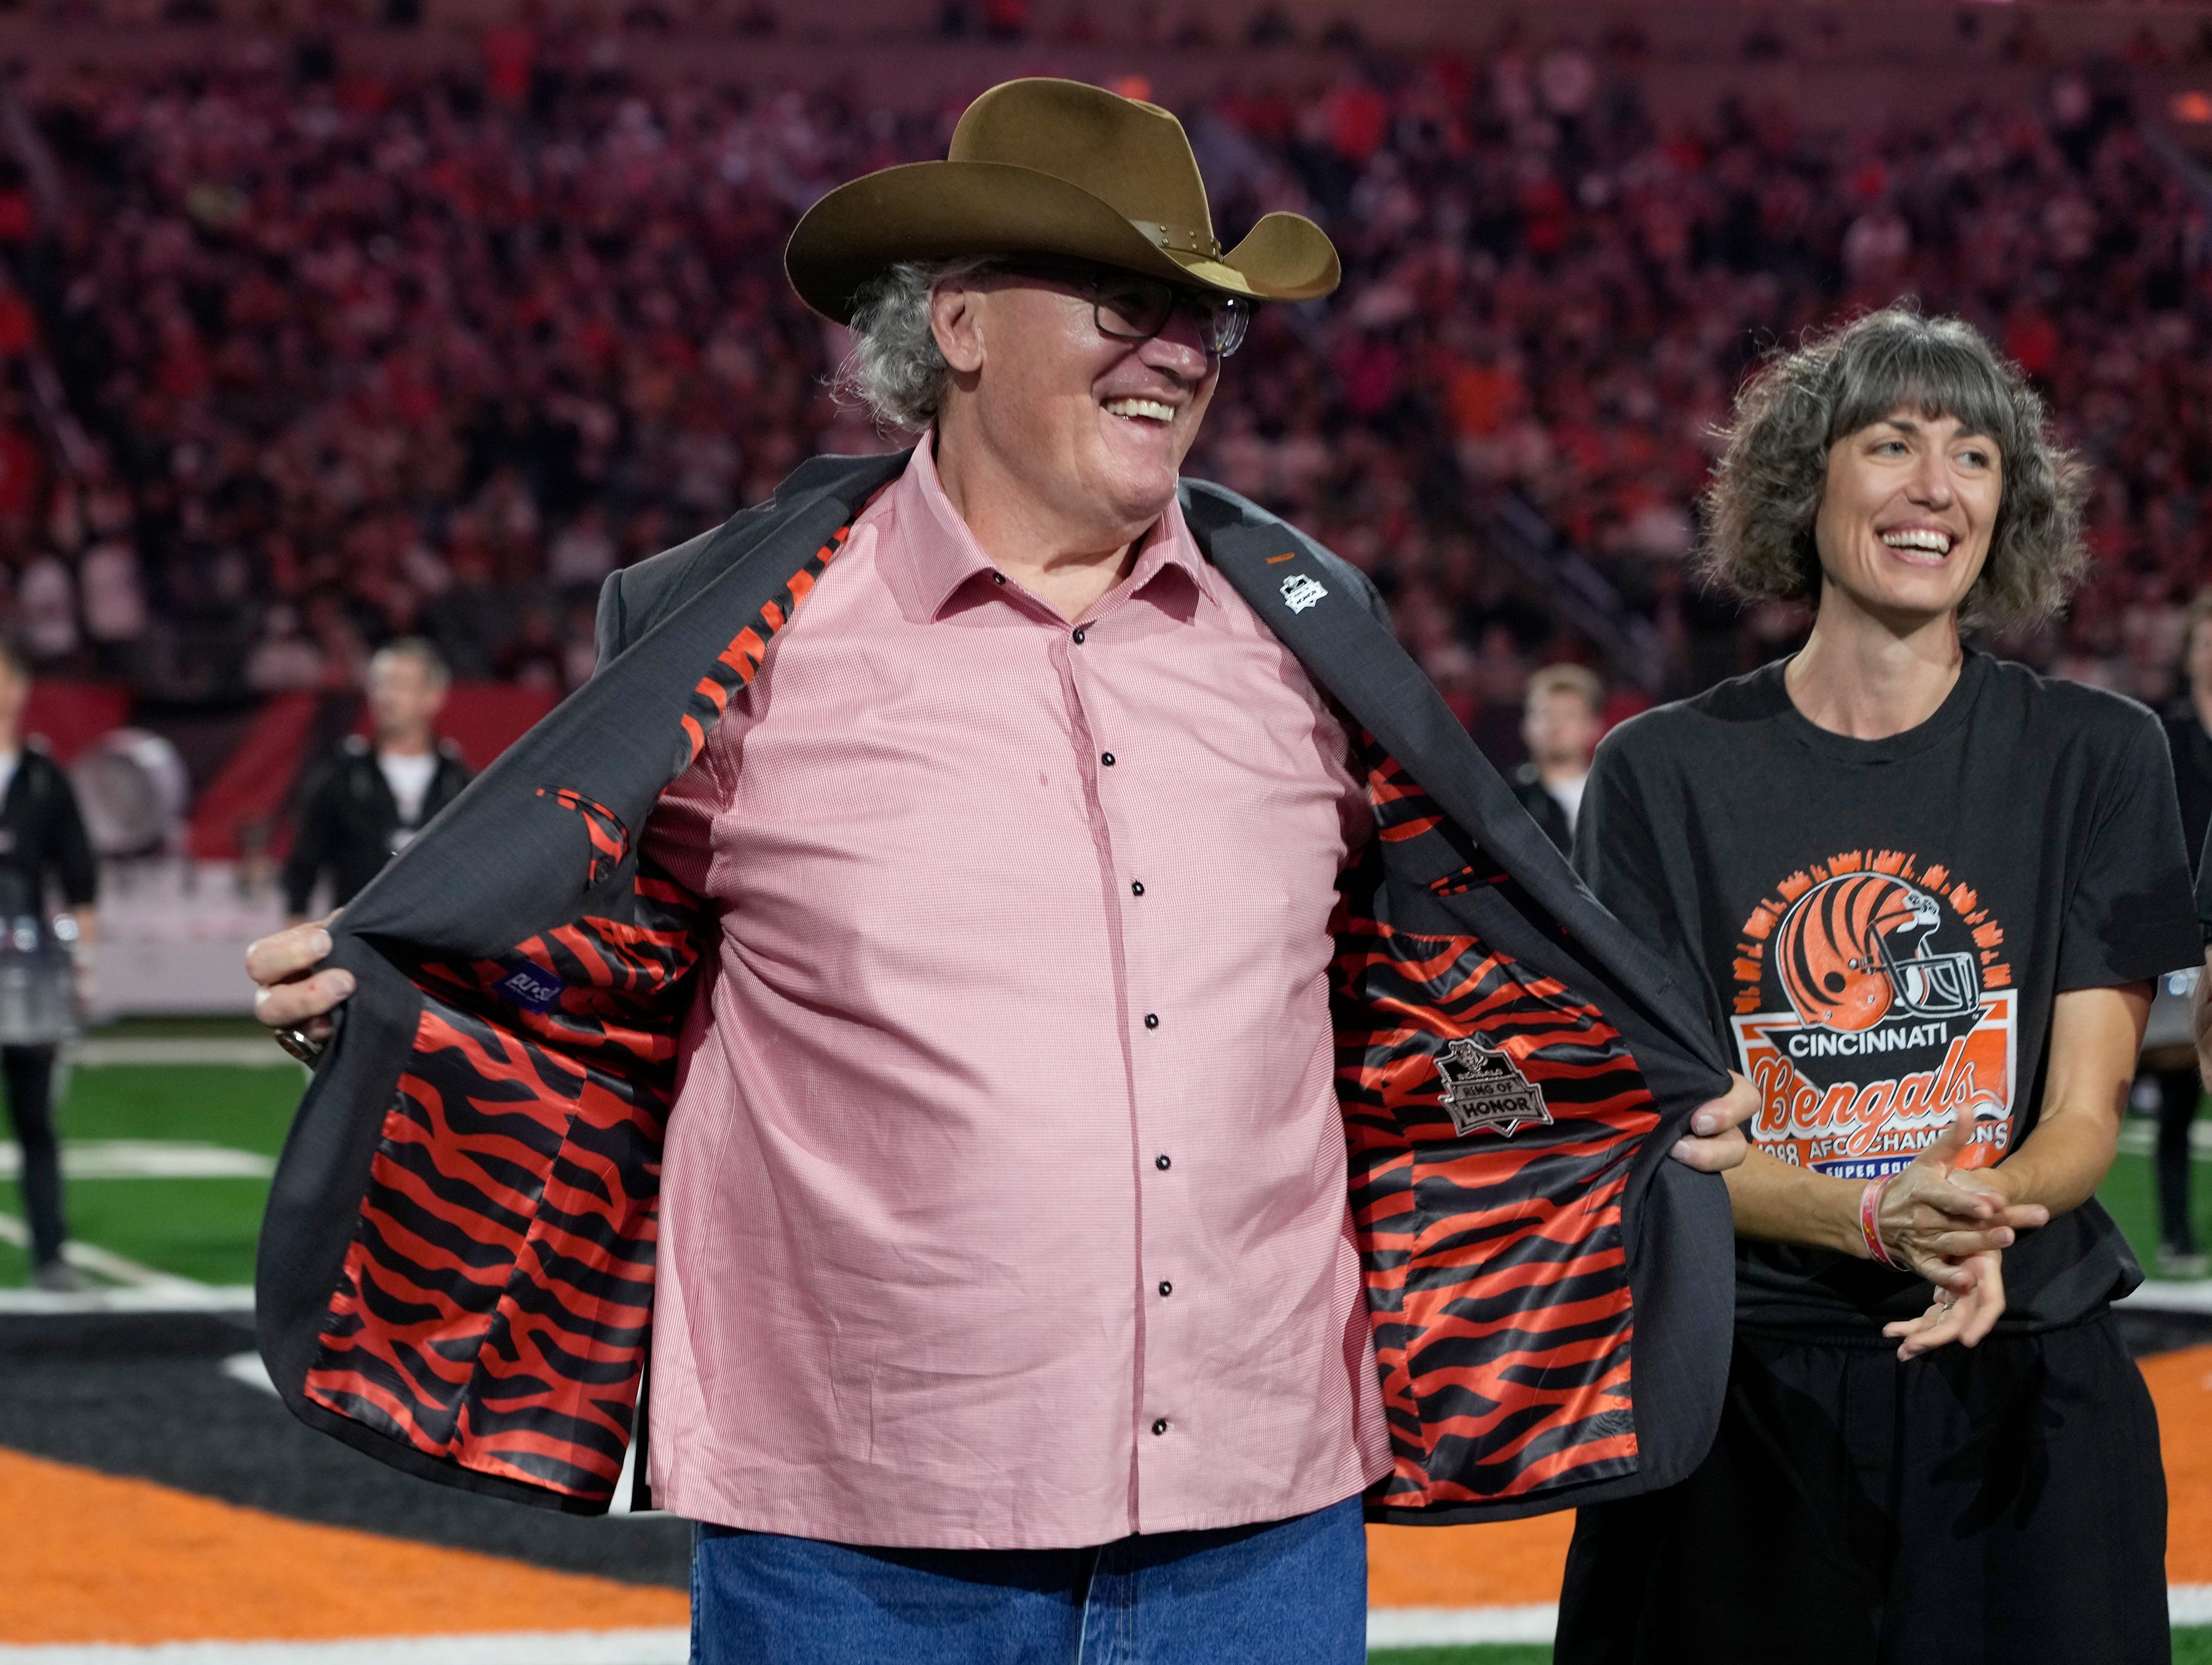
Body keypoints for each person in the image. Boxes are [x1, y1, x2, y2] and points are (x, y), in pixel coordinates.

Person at [242, 80, 1756, 1665]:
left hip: (1261, 1524)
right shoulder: (734, 641)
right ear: (958, 326)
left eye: (1206, 321)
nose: (1179, 349)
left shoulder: (1311, 637)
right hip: (858, 1540)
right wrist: (387, 1006)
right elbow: (576, 979)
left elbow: (1420, 993)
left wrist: (1615, 1077)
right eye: (1127, 301)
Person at [1558, 307, 2200, 1664]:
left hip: (2025, 1397)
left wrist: (1976, 1214)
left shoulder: (2104, 754)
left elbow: (2088, 1103)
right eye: (1892, 442)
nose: (1935, 488)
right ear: (1808, 481)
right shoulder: (1658, 775)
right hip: (1743, 1407)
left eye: (1974, 455)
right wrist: (1862, 1214)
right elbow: (1647, 1139)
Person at [0, 640, 98, 1294]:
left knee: (36, 1118)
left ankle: (50, 1256)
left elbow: (81, 883)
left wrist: (81, 970)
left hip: (28, 975)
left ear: (20, 688)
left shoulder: (44, 778)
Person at [279, 639, 471, 924]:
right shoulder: (339, 776)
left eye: (401, 685)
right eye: (380, 683)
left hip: (438, 953)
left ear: (433, 696)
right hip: (357, 949)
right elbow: (302, 867)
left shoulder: (461, 784)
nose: (387, 696)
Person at [2143, 588, 2212, 1273]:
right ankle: (2175, 1231)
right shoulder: (2165, 732)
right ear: (2189, 654)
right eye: (2206, 642)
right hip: (2180, 938)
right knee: (2174, 1097)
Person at [1511, 663, 1602, 852]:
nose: (1556, 725)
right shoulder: (1508, 797)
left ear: (1593, 726)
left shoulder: (1615, 797)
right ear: (1526, 726)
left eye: (1569, 715)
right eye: (1546, 713)